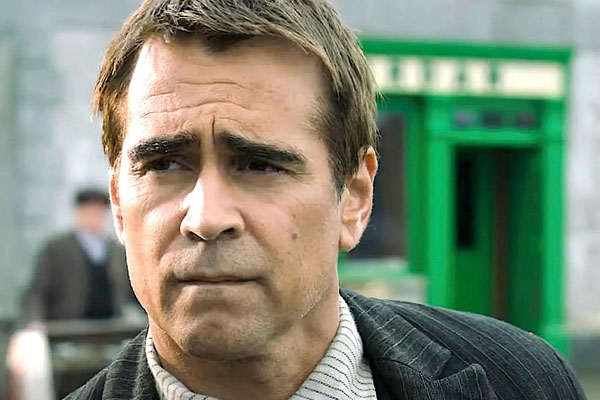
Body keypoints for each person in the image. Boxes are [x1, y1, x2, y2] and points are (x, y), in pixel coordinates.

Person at [67, 1, 586, 399]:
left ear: (354, 197)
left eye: (259, 165)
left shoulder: (521, 380)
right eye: (163, 165)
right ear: (118, 203)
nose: (206, 218)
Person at [25, 188, 134, 321]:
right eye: (90, 212)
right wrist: (33, 323)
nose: (95, 218)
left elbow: (132, 289)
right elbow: (38, 292)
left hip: (111, 325)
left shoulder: (117, 250)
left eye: (99, 213)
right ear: (79, 214)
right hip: (69, 326)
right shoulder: (58, 249)